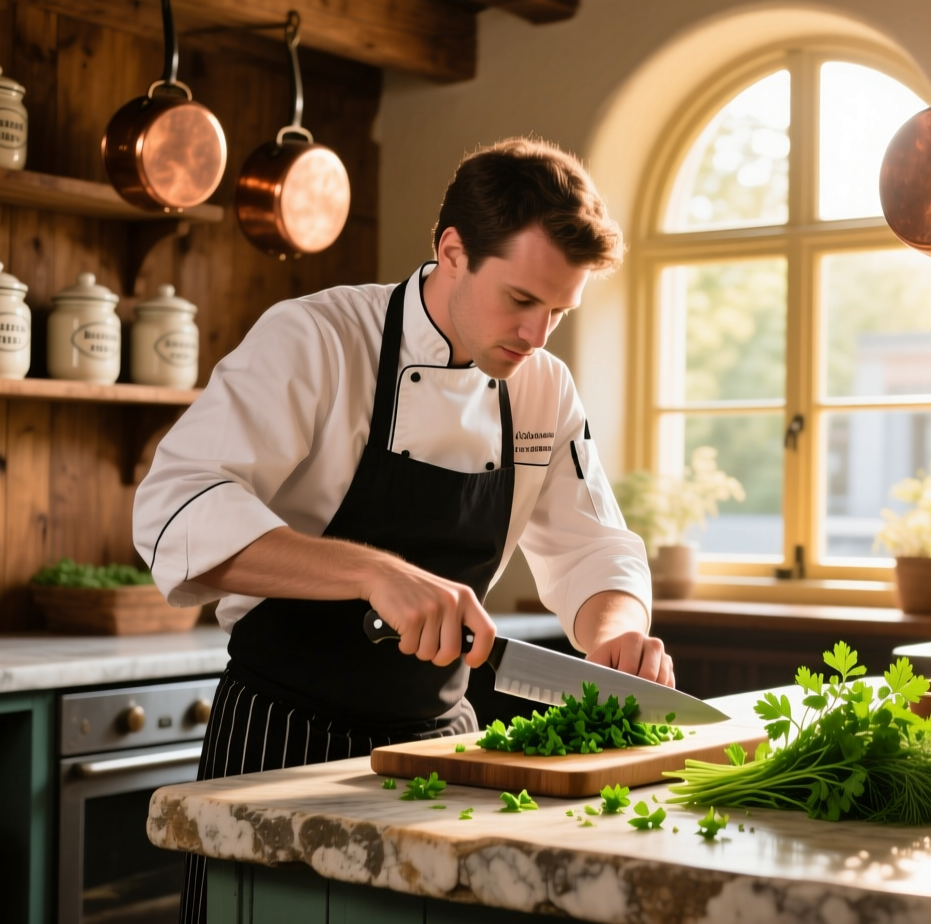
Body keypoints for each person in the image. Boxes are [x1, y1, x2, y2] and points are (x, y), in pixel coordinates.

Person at [130, 137, 669, 923]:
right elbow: (175, 509)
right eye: (521, 299)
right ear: (453, 251)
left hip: (443, 753)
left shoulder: (543, 388)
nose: (538, 333)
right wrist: (373, 573)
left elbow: (590, 544)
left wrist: (617, 630)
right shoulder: (317, 338)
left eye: (559, 310)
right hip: (285, 742)